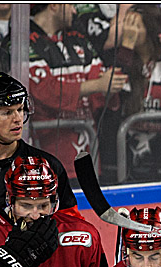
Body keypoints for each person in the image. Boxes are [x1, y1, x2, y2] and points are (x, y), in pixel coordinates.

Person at [0, 73, 78, 219]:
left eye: (20, 110)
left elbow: (71, 223)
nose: (17, 119)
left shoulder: (47, 166)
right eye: (7, 113)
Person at [28, 3, 125, 167]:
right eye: (71, 5)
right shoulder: (22, 43)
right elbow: (45, 92)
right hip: (47, 157)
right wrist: (96, 85)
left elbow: (102, 84)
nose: (75, 11)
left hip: (88, 151)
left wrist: (109, 85)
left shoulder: (78, 39)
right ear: (54, 5)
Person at [98, 5, 161, 184]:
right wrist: (126, 47)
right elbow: (115, 90)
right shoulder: (117, 57)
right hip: (123, 155)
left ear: (150, 28)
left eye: (134, 25)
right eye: (127, 24)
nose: (129, 30)